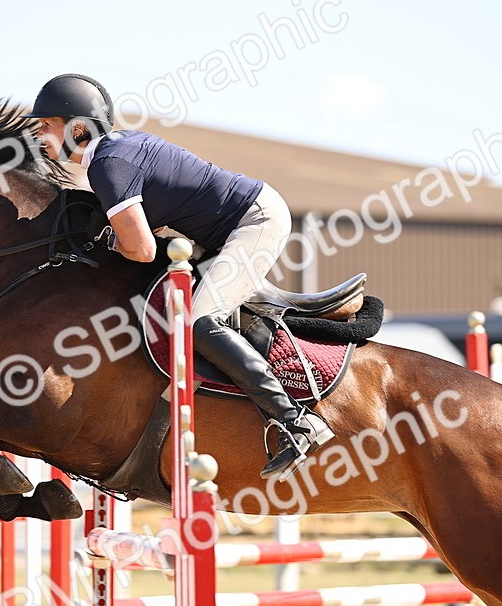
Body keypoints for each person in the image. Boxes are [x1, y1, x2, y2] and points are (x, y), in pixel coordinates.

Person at [24, 73, 334, 481]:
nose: (40, 136)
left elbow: (141, 249)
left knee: (200, 323)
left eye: (47, 126)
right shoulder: (115, 152)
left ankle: (296, 422)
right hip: (226, 228)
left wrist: (105, 238)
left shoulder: (108, 164)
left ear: (78, 129)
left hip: (253, 221)